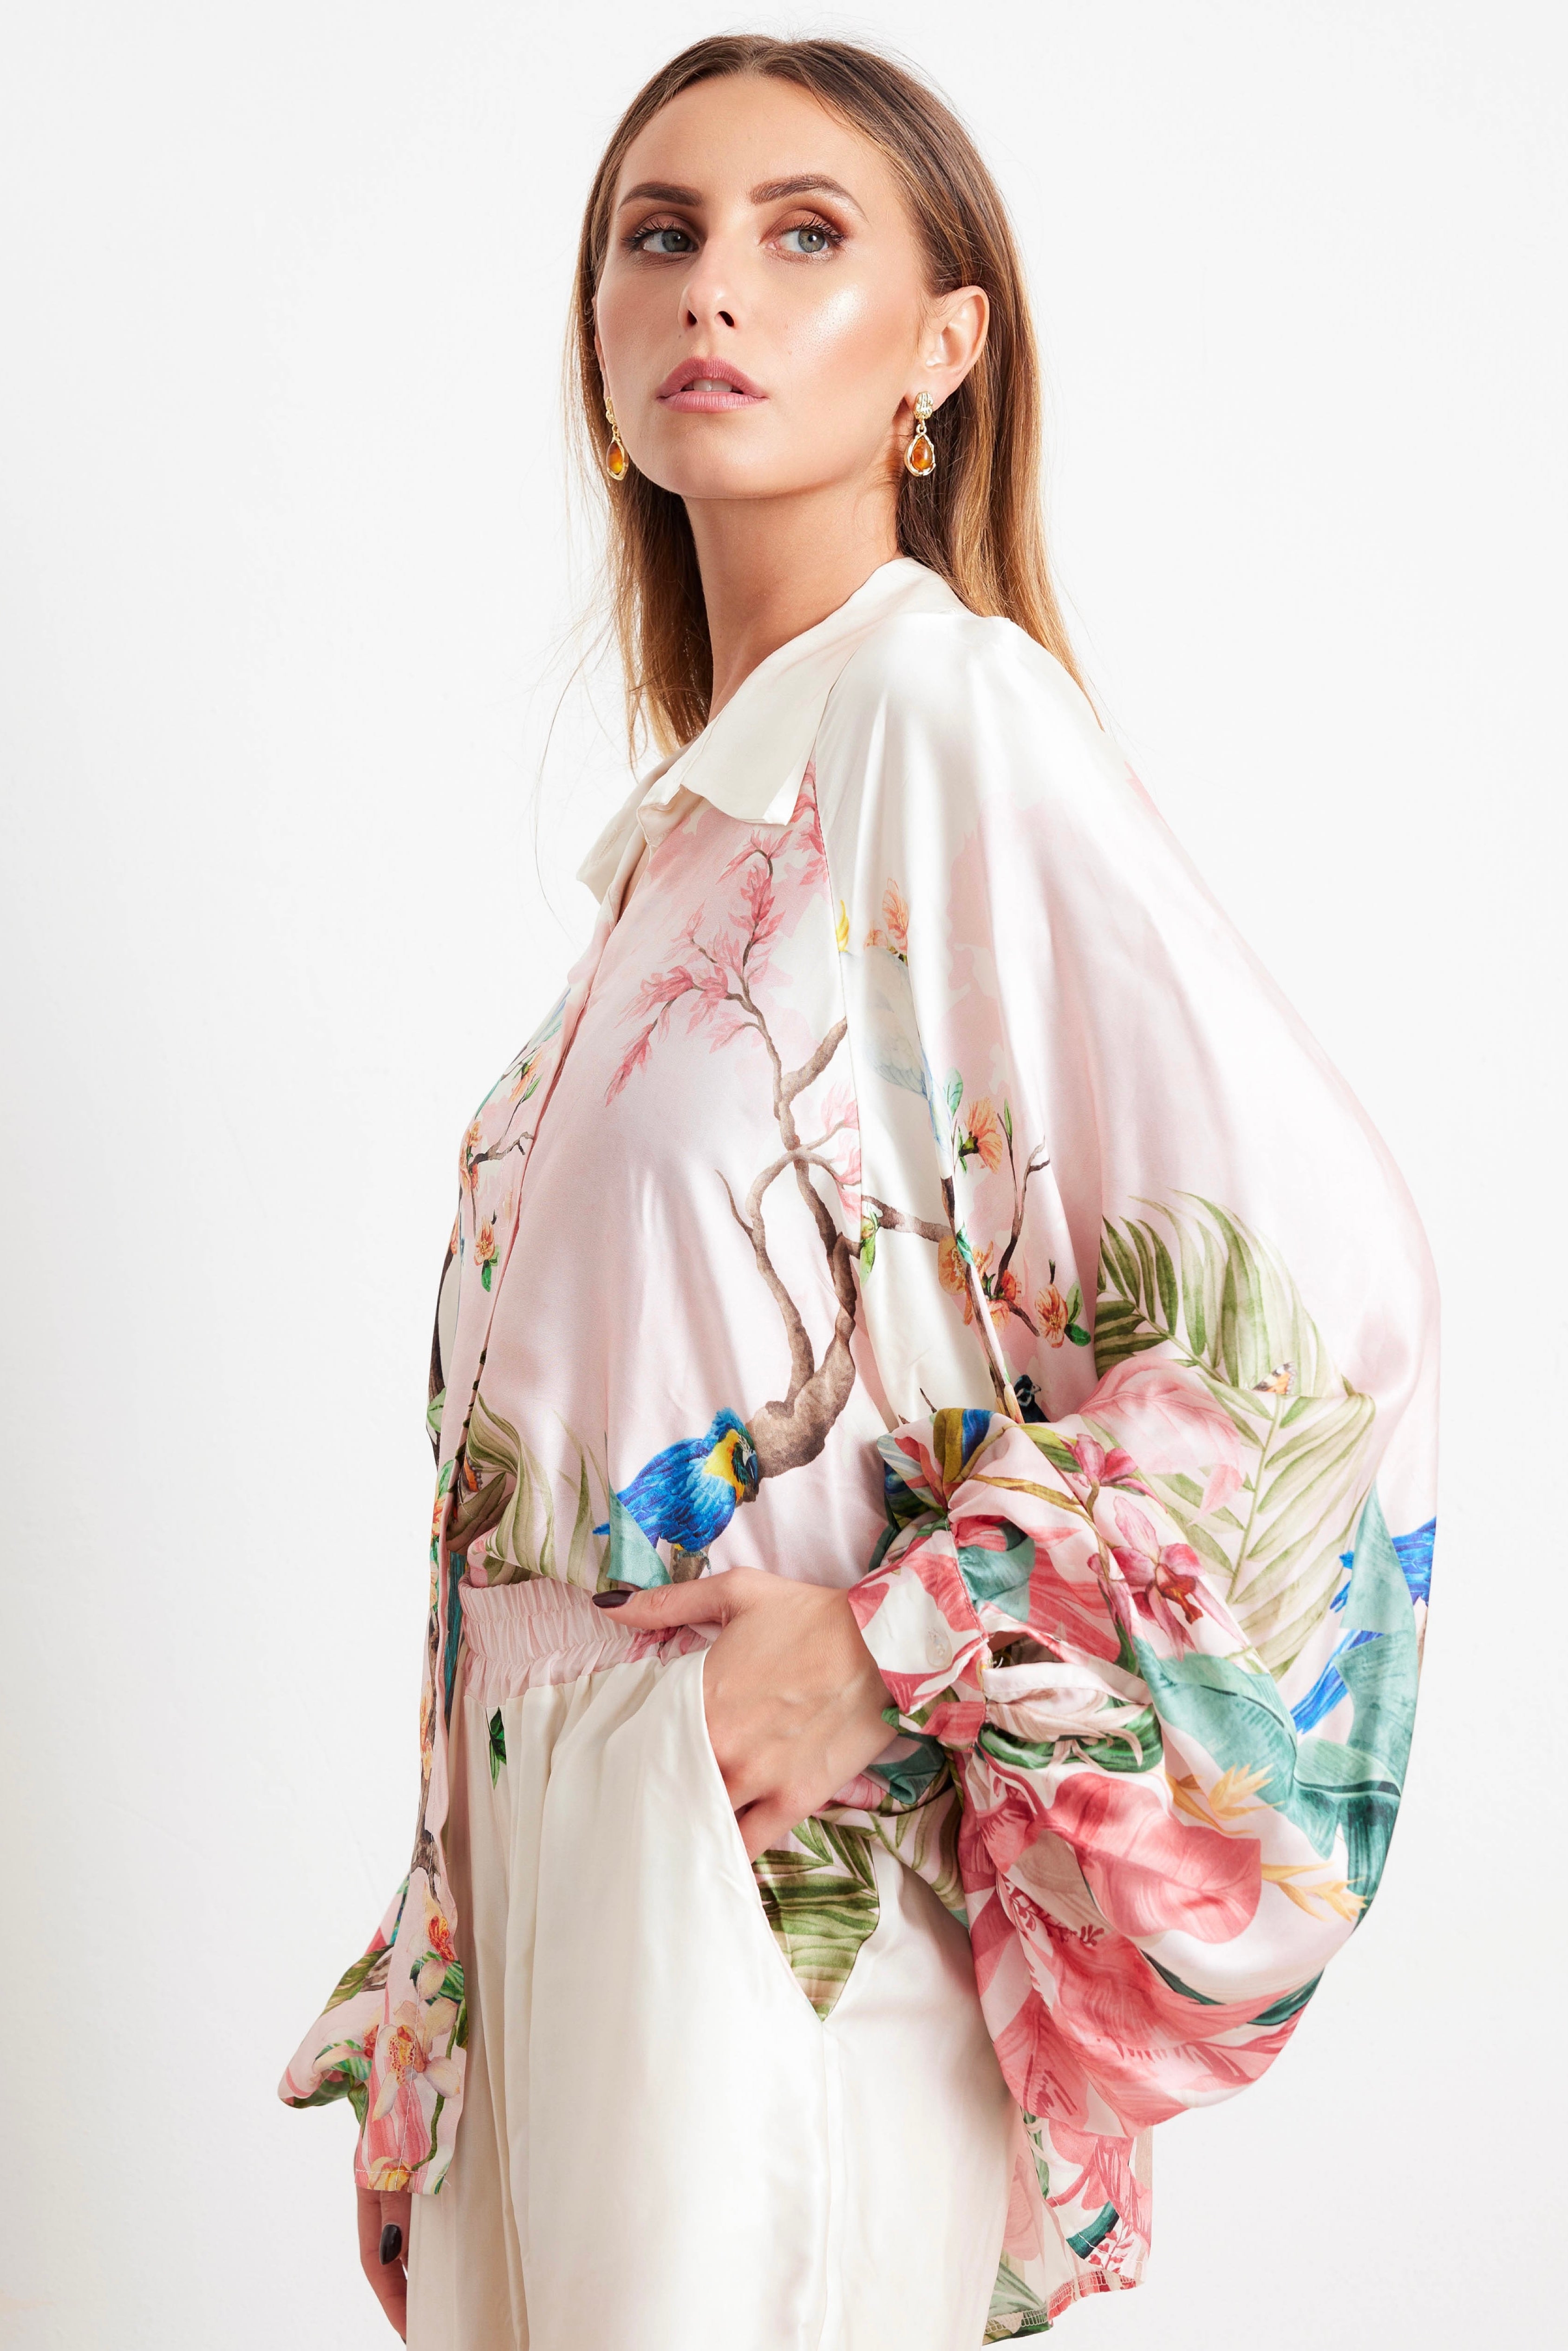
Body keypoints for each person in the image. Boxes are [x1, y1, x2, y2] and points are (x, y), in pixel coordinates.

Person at [279, 34, 1438, 2351]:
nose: (713, 286)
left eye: (804, 234)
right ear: (601, 343)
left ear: (941, 345)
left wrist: (901, 1641)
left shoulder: (939, 718)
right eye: (660, 235)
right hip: (561, 1889)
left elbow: (1312, 1305)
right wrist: (452, 1971)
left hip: (755, 1880)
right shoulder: (696, 837)